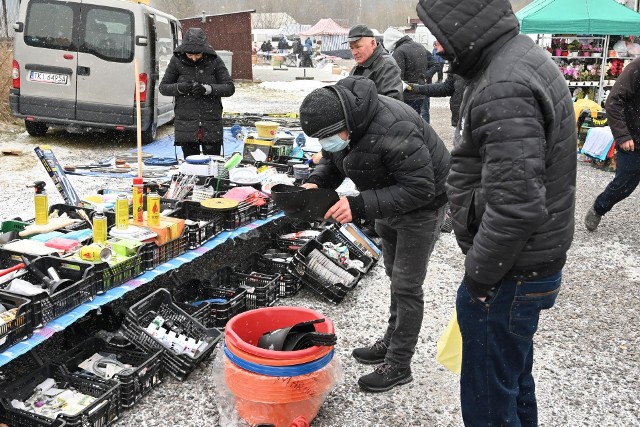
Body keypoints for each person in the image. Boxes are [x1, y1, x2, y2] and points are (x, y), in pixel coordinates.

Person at [417, 0, 576, 425]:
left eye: (440, 33)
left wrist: (479, 277)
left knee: (488, 400)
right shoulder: (518, 57)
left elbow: (517, 207)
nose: (437, 45)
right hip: (527, 266)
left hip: (510, 275)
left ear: (462, 25)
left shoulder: (503, 84)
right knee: (513, 379)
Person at [299, 75, 450, 392]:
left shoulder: (393, 126)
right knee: (395, 275)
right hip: (386, 199)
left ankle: (399, 363)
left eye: (329, 136)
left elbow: (420, 189)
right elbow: (334, 159)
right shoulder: (346, 125)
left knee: (407, 285)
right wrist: (317, 182)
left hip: (421, 207)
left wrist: (360, 204)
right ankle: (391, 341)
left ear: (346, 122)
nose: (327, 143)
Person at [159, 28, 235, 159]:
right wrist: (181, 88)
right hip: (185, 123)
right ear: (184, 51)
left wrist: (208, 89)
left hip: (211, 122)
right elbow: (163, 87)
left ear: (204, 51)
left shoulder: (215, 61)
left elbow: (229, 88)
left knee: (213, 162)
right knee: (191, 164)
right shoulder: (176, 61)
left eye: (198, 55)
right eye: (190, 55)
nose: (194, 58)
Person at [584, 56, 640, 231]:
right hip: (633, 141)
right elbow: (613, 102)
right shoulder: (636, 69)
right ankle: (599, 207)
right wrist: (623, 136)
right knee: (623, 186)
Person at [405, 41, 465, 127]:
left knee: (424, 112)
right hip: (461, 122)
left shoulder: (478, 62)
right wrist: (413, 88)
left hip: (475, 124)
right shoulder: (456, 63)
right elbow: (446, 88)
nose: (435, 48)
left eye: (438, 43)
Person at [346, 24, 403, 100]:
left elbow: (392, 103)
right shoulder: (362, 64)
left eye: (358, 47)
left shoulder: (386, 66)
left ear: (373, 44)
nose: (354, 52)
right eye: (351, 48)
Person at [383, 27, 431, 115]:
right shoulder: (420, 46)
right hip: (421, 90)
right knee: (417, 118)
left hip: (407, 94)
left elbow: (397, 76)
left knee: (407, 121)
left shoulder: (399, 51)